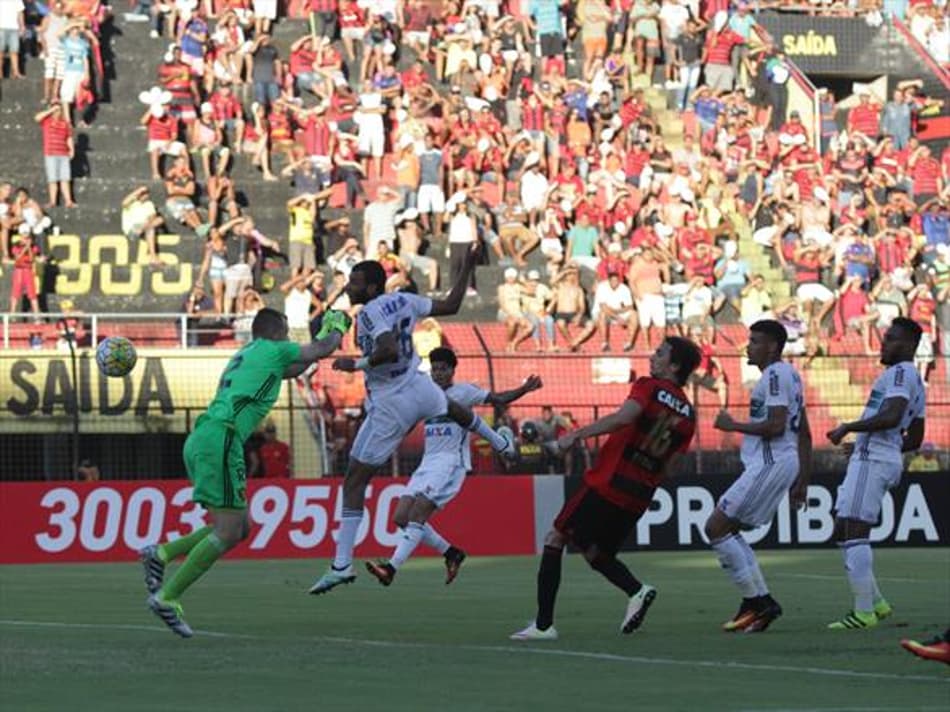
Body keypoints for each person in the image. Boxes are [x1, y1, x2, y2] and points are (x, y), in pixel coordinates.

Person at [308, 244, 517, 595]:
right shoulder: (404, 300)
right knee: (453, 408)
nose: (349, 286)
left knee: (355, 481)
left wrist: (355, 364)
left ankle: (341, 564)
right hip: (415, 381)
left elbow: (387, 349)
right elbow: (451, 304)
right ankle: (501, 443)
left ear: (372, 288)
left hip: (392, 400)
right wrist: (465, 267)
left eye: (355, 283)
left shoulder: (372, 312)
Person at [139, 307, 352, 637]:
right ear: (278, 332)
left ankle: (162, 553)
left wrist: (322, 339)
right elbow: (320, 350)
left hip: (205, 439)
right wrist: (336, 327)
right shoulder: (272, 347)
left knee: (239, 528)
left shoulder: (250, 353)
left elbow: (301, 365)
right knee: (226, 531)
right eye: (286, 334)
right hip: (222, 439)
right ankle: (167, 596)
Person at [510, 337, 702, 641]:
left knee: (556, 537)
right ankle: (636, 591)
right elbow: (672, 466)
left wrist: (576, 435)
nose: (653, 357)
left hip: (608, 482)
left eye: (660, 353)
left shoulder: (648, 386)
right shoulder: (689, 416)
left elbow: (624, 417)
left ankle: (544, 625)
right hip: (640, 494)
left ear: (675, 365)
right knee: (595, 552)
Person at [365, 347, 543, 586]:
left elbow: (498, 399)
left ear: (452, 370)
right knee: (400, 517)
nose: (438, 373)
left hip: (450, 463)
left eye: (443, 369)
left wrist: (524, 389)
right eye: (435, 369)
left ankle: (391, 568)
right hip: (427, 463)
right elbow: (408, 422)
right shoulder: (427, 395)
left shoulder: (464, 392)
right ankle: (451, 553)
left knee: (418, 513)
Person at [706, 319, 811, 634]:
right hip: (776, 462)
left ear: (772, 347)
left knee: (715, 526)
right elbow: (803, 431)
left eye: (754, 341)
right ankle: (759, 602)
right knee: (728, 529)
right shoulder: (788, 375)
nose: (747, 346)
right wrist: (802, 479)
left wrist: (732, 425)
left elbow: (776, 426)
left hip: (771, 461)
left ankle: (757, 602)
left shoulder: (776, 375)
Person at [825, 318, 926, 630]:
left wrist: (849, 428)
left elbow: (892, 415)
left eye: (892, 338)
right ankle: (877, 603)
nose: (884, 343)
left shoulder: (899, 373)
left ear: (909, 345)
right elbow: (916, 436)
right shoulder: (913, 379)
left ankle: (863, 612)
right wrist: (874, 445)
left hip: (873, 461)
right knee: (844, 528)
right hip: (876, 456)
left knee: (854, 529)